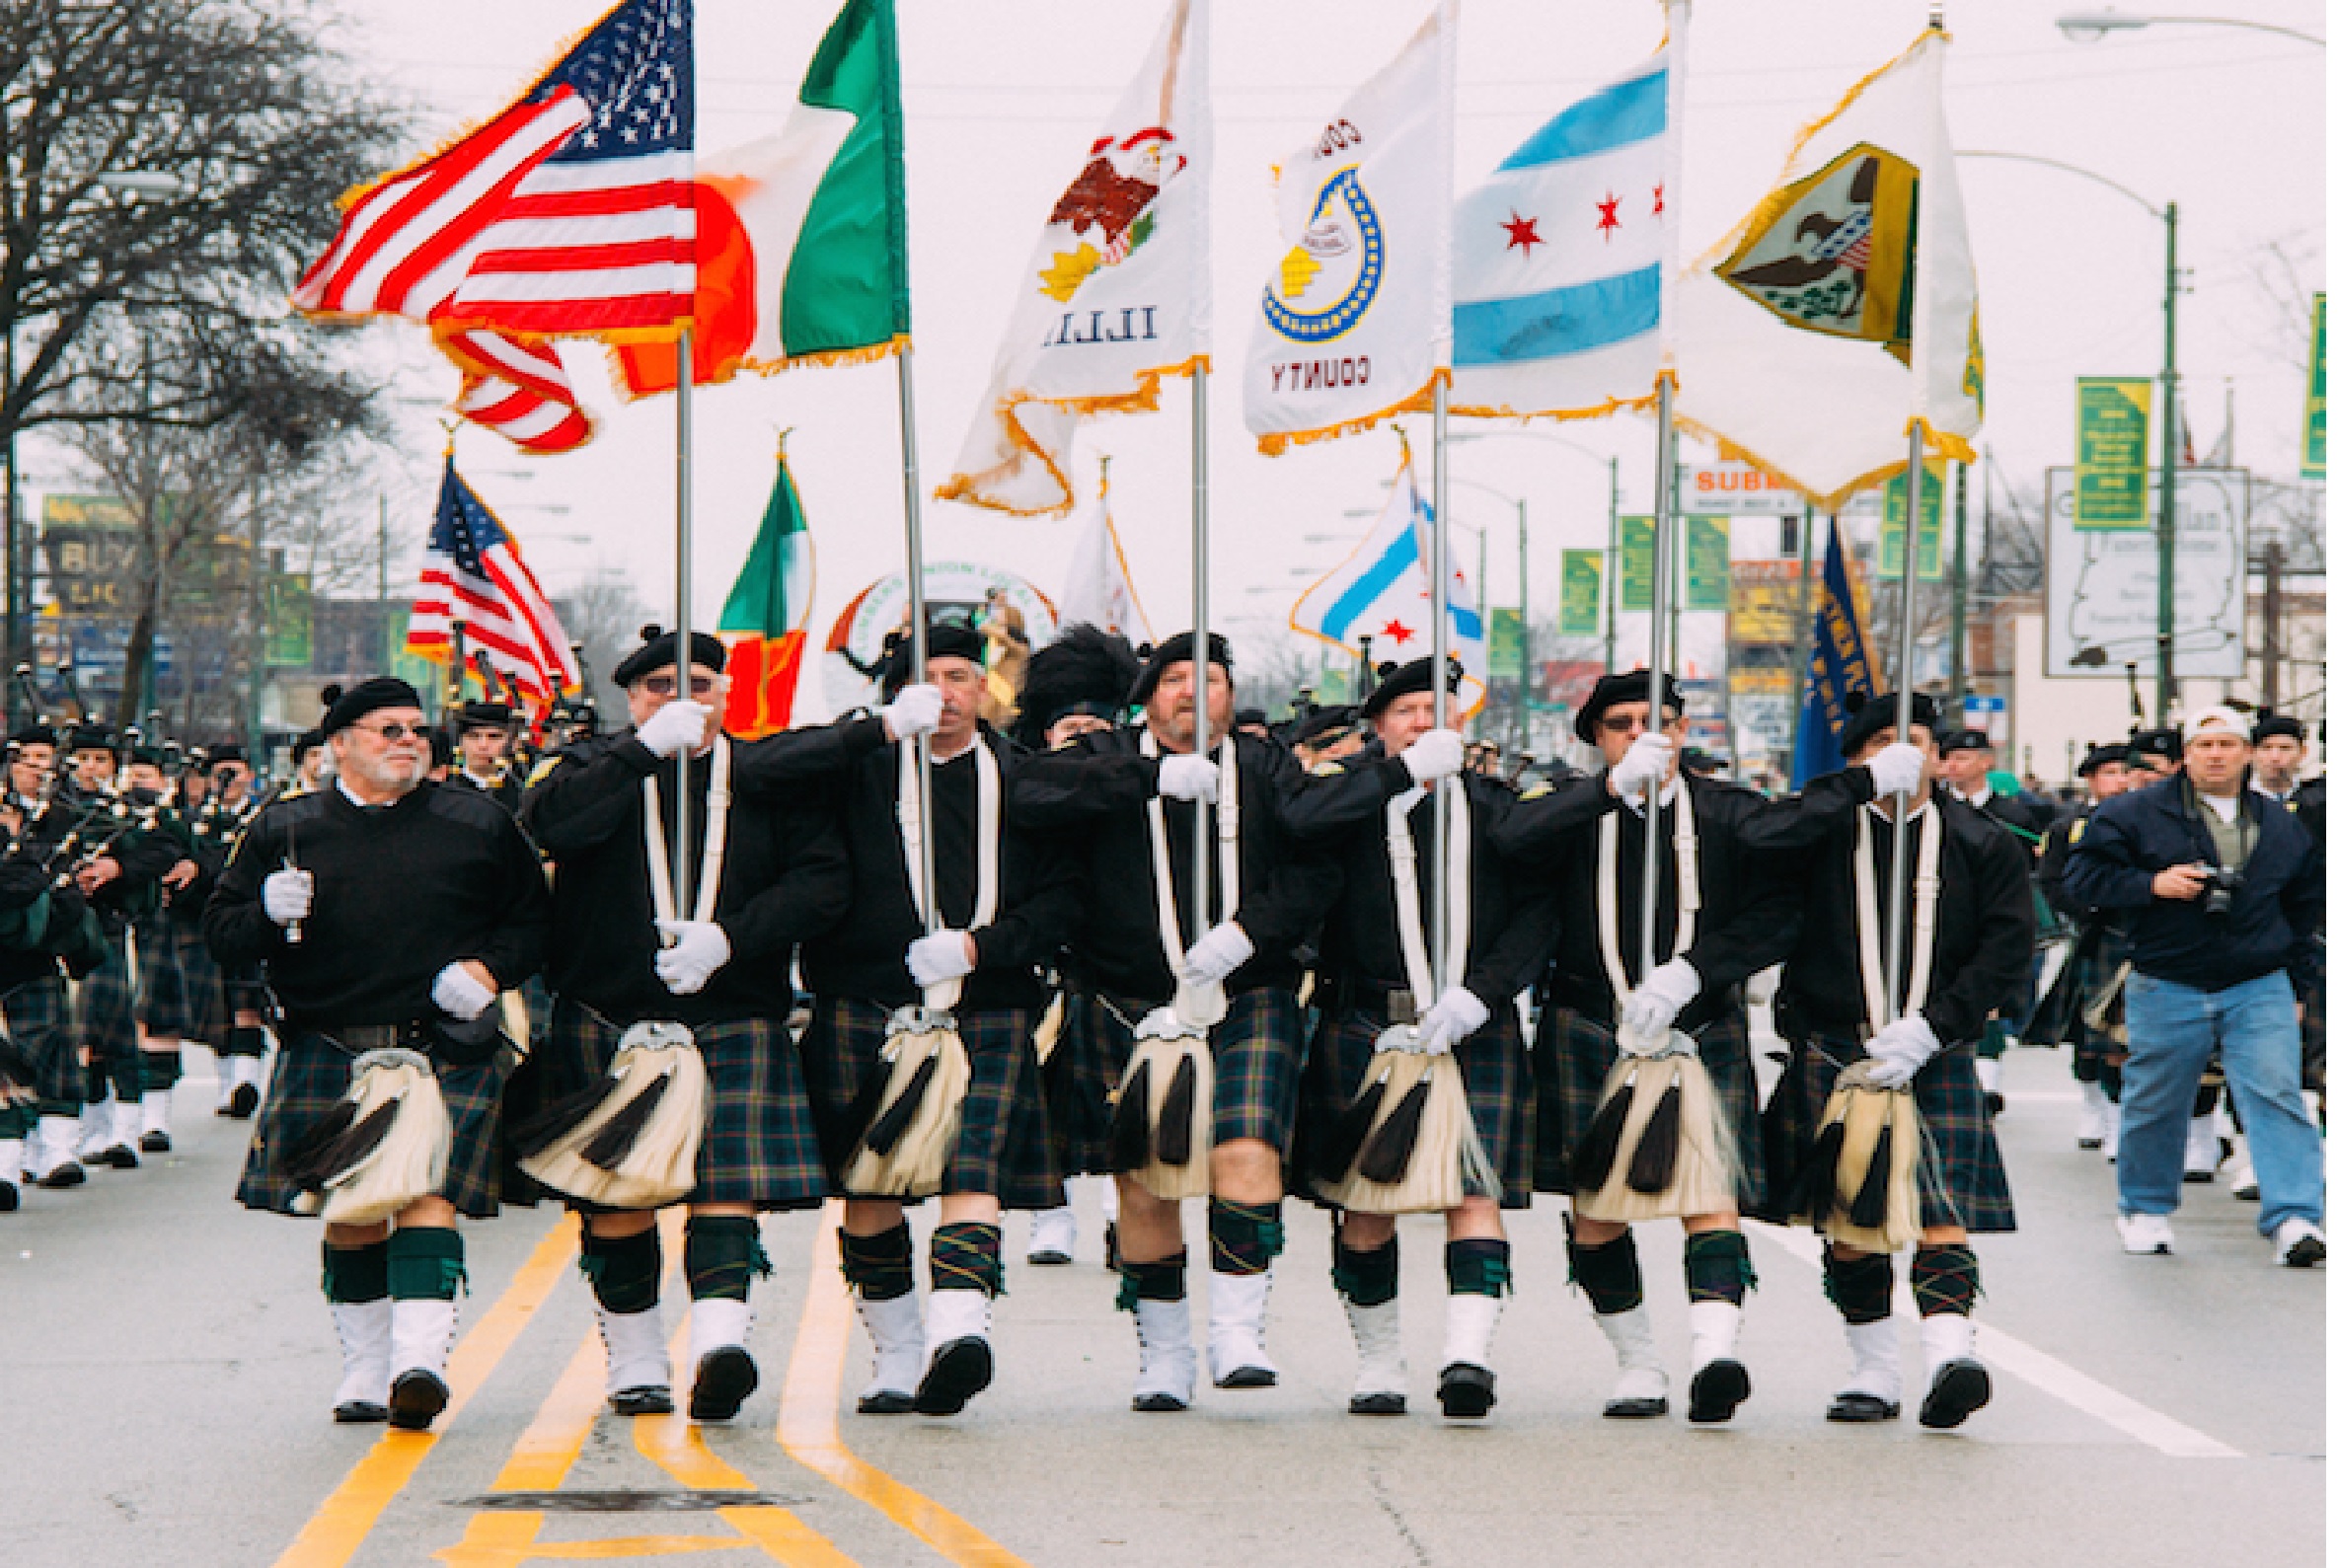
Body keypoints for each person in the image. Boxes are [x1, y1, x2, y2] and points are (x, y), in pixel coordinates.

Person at [207, 677, 551, 1430]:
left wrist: (487, 972)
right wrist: (262, 911)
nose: (408, 740)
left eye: (416, 729)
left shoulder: (477, 821)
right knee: (355, 1210)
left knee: (430, 1196)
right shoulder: (285, 827)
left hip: (443, 1047)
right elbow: (222, 932)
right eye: (387, 728)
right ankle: (366, 1367)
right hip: (330, 1043)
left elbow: (535, 922)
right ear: (339, 744)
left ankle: (417, 1363)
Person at [522, 631, 849, 1423]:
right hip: (611, 1014)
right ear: (628, 699)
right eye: (657, 686)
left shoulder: (765, 777)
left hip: (732, 1012)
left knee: (727, 1191)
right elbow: (548, 826)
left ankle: (718, 1345)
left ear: (726, 693)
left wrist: (730, 937)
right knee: (616, 1196)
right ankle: (634, 1360)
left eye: (697, 683)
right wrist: (637, 753)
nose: (679, 698)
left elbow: (823, 882)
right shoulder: (587, 768)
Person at [1011, 632, 1337, 1410]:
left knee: (1247, 1152)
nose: (1194, 691)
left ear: (1232, 693)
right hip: (1129, 997)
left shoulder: (1264, 766)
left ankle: (1237, 1334)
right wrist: (1147, 776)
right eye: (1177, 678)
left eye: (1213, 678)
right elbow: (1030, 797)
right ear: (1148, 692)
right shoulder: (1103, 756)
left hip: (1246, 993)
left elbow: (1315, 867)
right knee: (1145, 1181)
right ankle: (1163, 1355)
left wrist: (1245, 933)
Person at [1494, 671, 1800, 1425]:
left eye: (1655, 721)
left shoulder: (1729, 811)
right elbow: (1508, 842)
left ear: (1684, 730)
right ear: (1596, 738)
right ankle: (1637, 1361)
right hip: (1589, 1020)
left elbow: (1779, 912)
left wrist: (1697, 969)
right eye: (1621, 724)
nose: (1640, 736)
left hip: (1697, 1024)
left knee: (1710, 1195)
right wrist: (1604, 793)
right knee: (1597, 1208)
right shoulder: (1568, 812)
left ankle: (1712, 1352)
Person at [791, 623, 1075, 1418]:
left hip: (984, 1005)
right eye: (928, 678)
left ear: (987, 688)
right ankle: (897, 1351)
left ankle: (958, 1334)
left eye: (960, 675)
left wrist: (981, 949)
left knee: (971, 1172)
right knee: (870, 1182)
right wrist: (870, 730)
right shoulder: (854, 772)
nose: (946, 692)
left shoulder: (1026, 779)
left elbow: (1059, 900)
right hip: (865, 1003)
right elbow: (775, 768)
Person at [1281, 658, 1557, 1419]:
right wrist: (1392, 775)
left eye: (1436, 708)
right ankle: (1377, 1362)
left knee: (1474, 1189)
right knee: (1367, 1201)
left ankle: (1466, 1357)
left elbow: (1539, 912)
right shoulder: (1346, 803)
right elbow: (1298, 825)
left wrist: (1481, 993)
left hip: (1472, 1017)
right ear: (1378, 726)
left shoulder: (1497, 807)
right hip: (1370, 1015)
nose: (1423, 720)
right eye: (1405, 710)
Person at [1746, 693, 2030, 1430]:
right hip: (1836, 1045)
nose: (1900, 753)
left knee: (1942, 1212)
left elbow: (2004, 948)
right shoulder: (1821, 832)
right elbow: (1759, 844)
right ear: (1853, 758)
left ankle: (1948, 1354)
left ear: (1939, 757)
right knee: (1849, 1221)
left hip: (1933, 1049)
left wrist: (1934, 1027)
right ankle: (1872, 1368)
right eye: (1877, 742)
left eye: (1913, 742)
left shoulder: (1981, 840)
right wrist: (1855, 788)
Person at [2064, 705, 2325, 1265]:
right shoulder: (2132, 813)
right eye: (2204, 744)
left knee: (2277, 1095)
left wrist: (2302, 988)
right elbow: (2081, 878)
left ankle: (2297, 1216)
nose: (2215, 755)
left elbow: (2305, 911)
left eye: (2227, 744)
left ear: (2247, 753)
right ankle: (2145, 1208)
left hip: (2259, 979)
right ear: (2187, 753)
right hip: (2167, 978)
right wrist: (2150, 883)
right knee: (2156, 1099)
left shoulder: (2281, 824)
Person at [1006, 625, 1145, 1268]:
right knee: (1039, 1099)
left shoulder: (1133, 778)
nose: (1083, 735)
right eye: (1070, 725)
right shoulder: (1024, 774)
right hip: (1034, 954)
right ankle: (1050, 1215)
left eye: (1095, 722)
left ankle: (1122, 1217)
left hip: (1109, 957)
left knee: (1125, 1101)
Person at [2035, 743, 2137, 1151]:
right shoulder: (2069, 827)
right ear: (2092, 780)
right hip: (2096, 933)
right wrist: (2086, 910)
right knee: (2092, 1034)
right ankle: (2099, 1109)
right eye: (2110, 772)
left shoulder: (2147, 820)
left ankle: (2122, 1120)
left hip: (2137, 933)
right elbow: (2053, 880)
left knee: (2126, 1038)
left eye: (2125, 772)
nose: (2121, 780)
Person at [450, 702, 523, 811]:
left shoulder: (524, 793)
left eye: (494, 736)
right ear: (461, 743)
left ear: (515, 744)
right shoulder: (444, 788)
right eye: (474, 736)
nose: (483, 745)